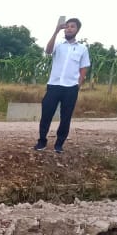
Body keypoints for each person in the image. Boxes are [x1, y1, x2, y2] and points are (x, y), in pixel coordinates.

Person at [35, 17, 90, 154]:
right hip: (54, 85)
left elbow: (84, 67)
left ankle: (59, 144)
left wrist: (79, 82)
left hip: (71, 88)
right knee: (46, 114)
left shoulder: (82, 48)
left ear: (77, 30)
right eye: (68, 26)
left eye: (73, 26)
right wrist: (56, 31)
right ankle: (42, 141)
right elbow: (48, 51)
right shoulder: (58, 44)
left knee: (66, 117)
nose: (69, 28)